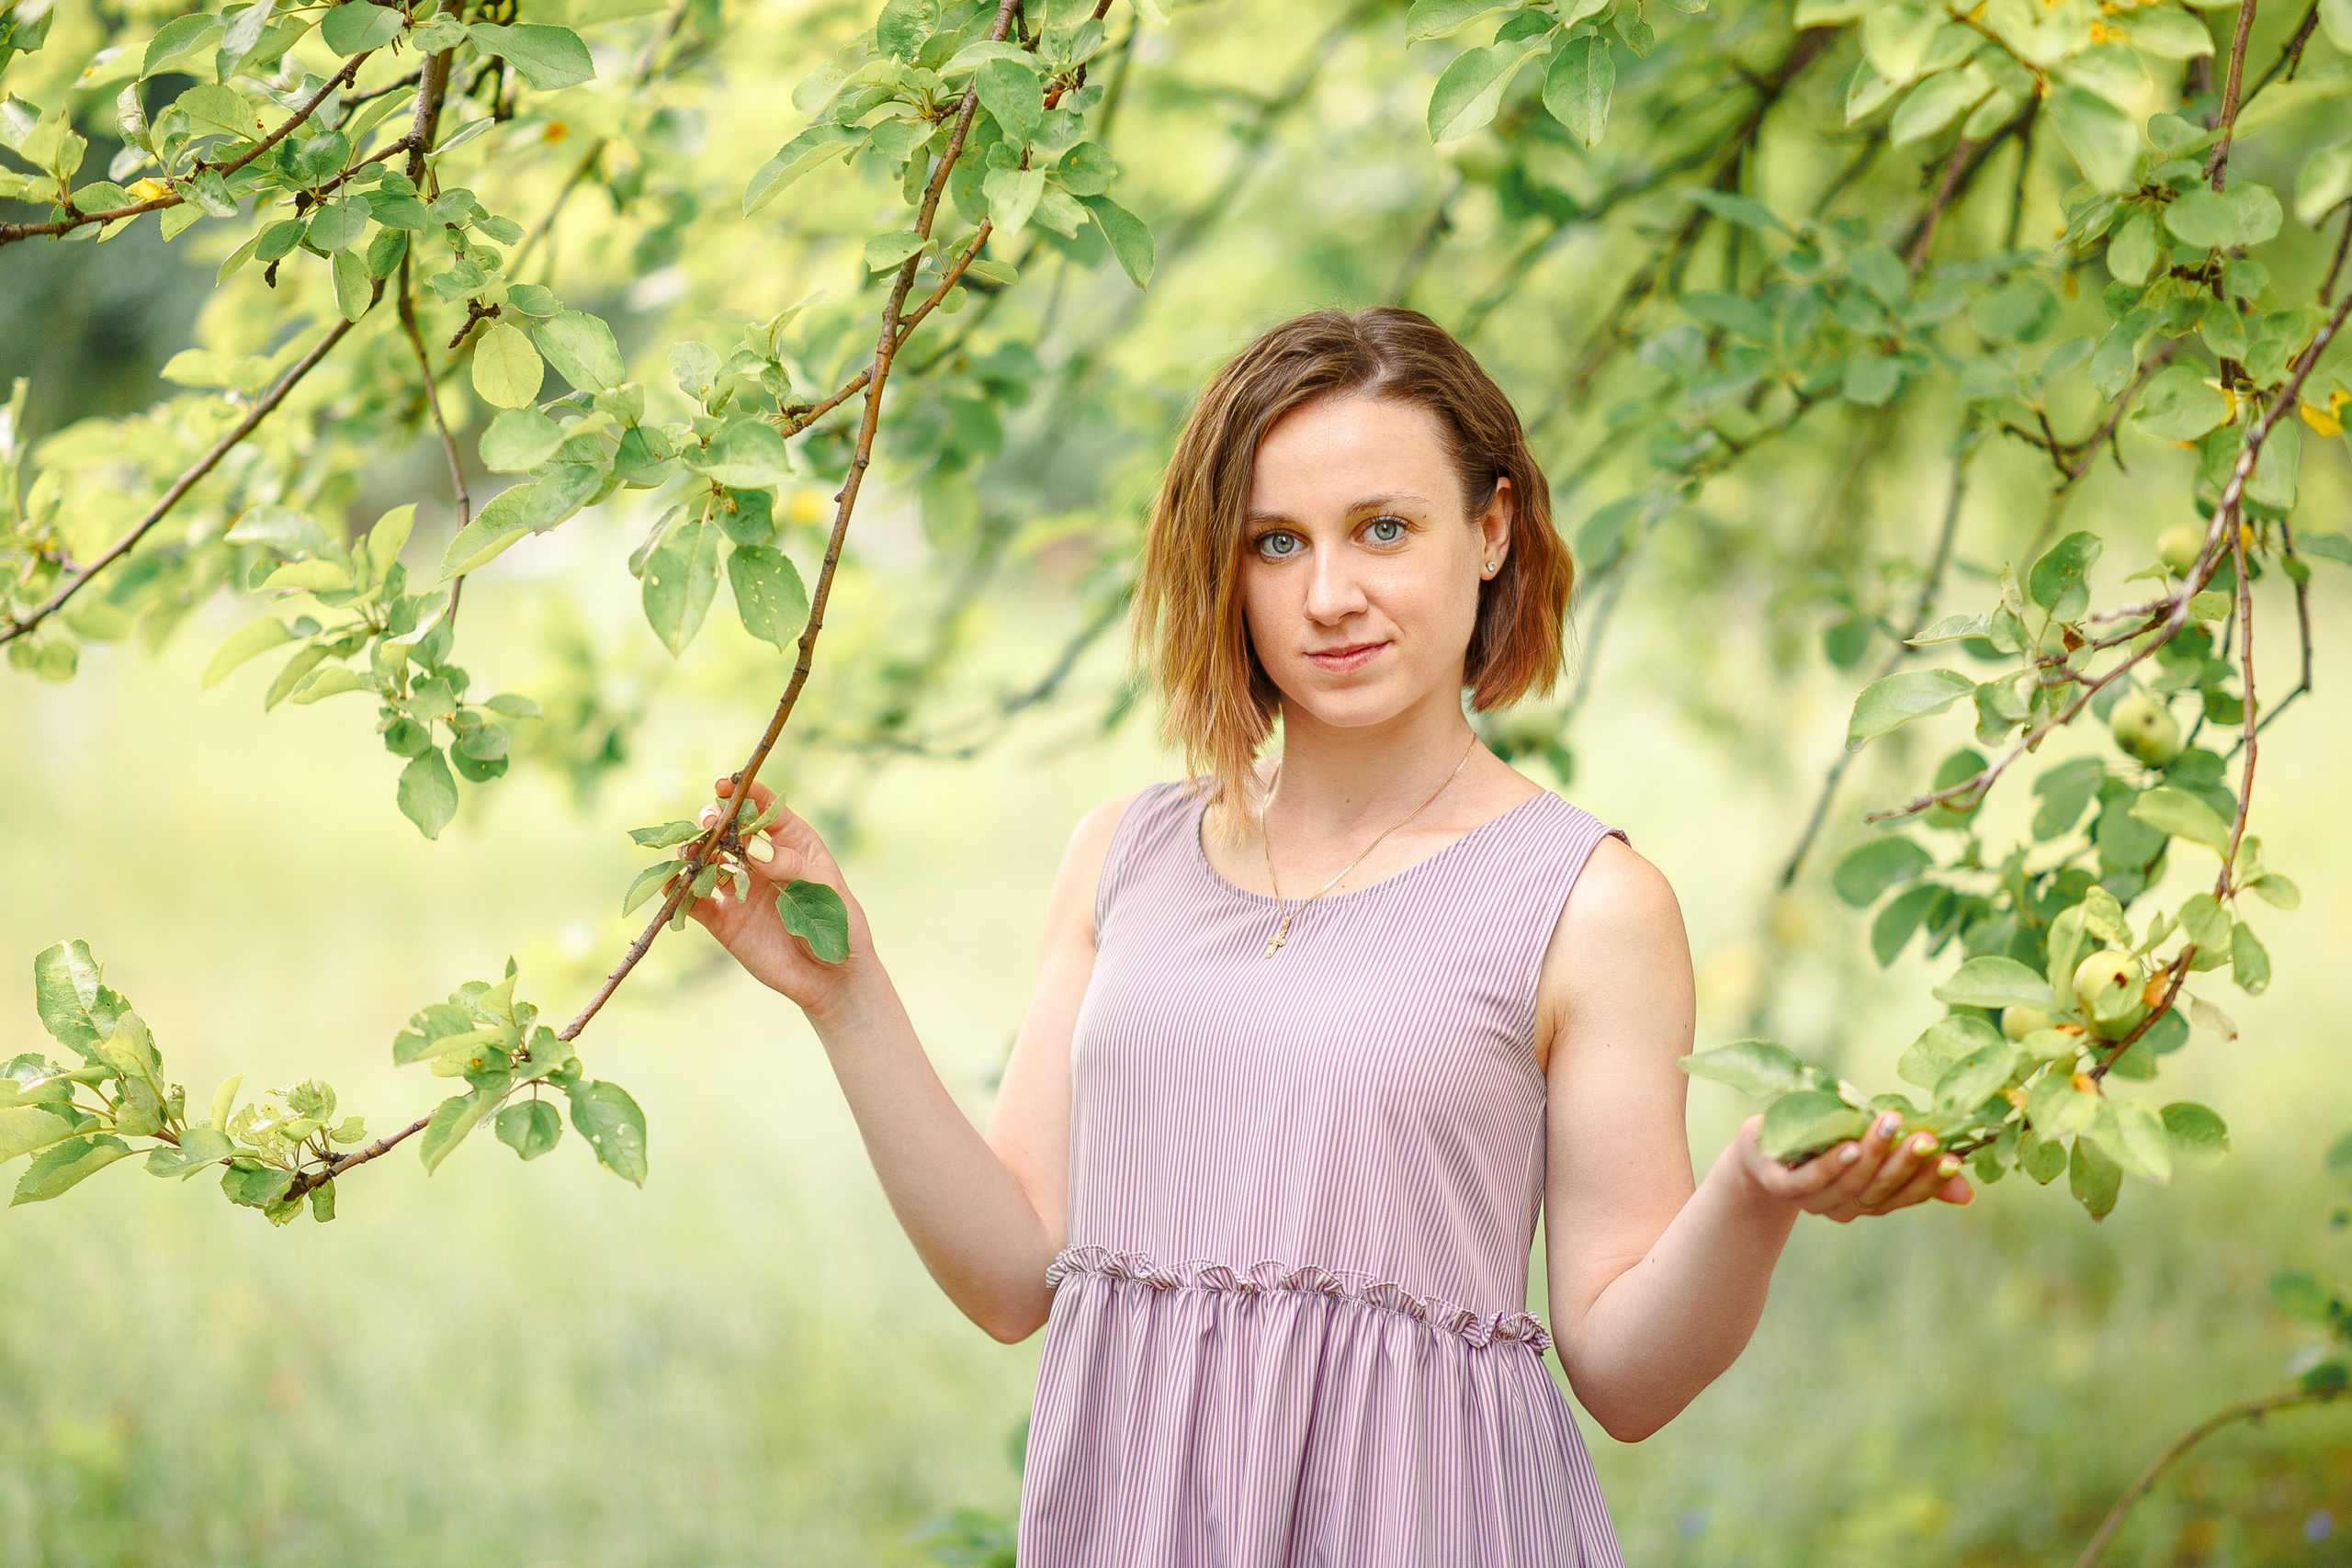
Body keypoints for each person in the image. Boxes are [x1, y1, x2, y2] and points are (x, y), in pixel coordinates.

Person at [688, 307, 1974, 1565]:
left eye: (1383, 529)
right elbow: (1014, 1275)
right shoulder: (1124, 855)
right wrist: (845, 997)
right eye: (1275, 543)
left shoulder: (1589, 903)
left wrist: (1749, 1197)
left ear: (1492, 530)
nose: (1329, 596)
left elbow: (1627, 1377)